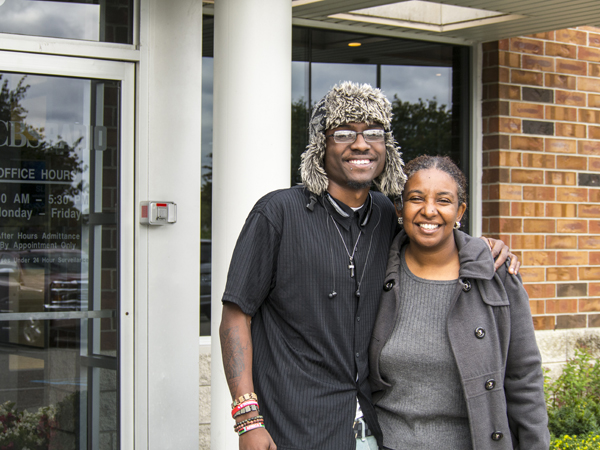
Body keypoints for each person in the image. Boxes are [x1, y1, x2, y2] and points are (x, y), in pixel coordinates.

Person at [219, 82, 517, 450]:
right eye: (343, 133)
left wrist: (481, 248)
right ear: (321, 145)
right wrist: (248, 420)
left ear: (386, 147)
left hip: (370, 429)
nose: (360, 145)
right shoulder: (277, 213)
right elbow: (235, 316)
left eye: (373, 133)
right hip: (293, 427)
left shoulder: (384, 214)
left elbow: (432, 229)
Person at [369, 155, 549, 450]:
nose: (429, 211)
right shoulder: (376, 271)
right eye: (416, 198)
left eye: (443, 200)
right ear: (400, 207)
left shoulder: (495, 274)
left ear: (460, 210)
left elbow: (524, 378)